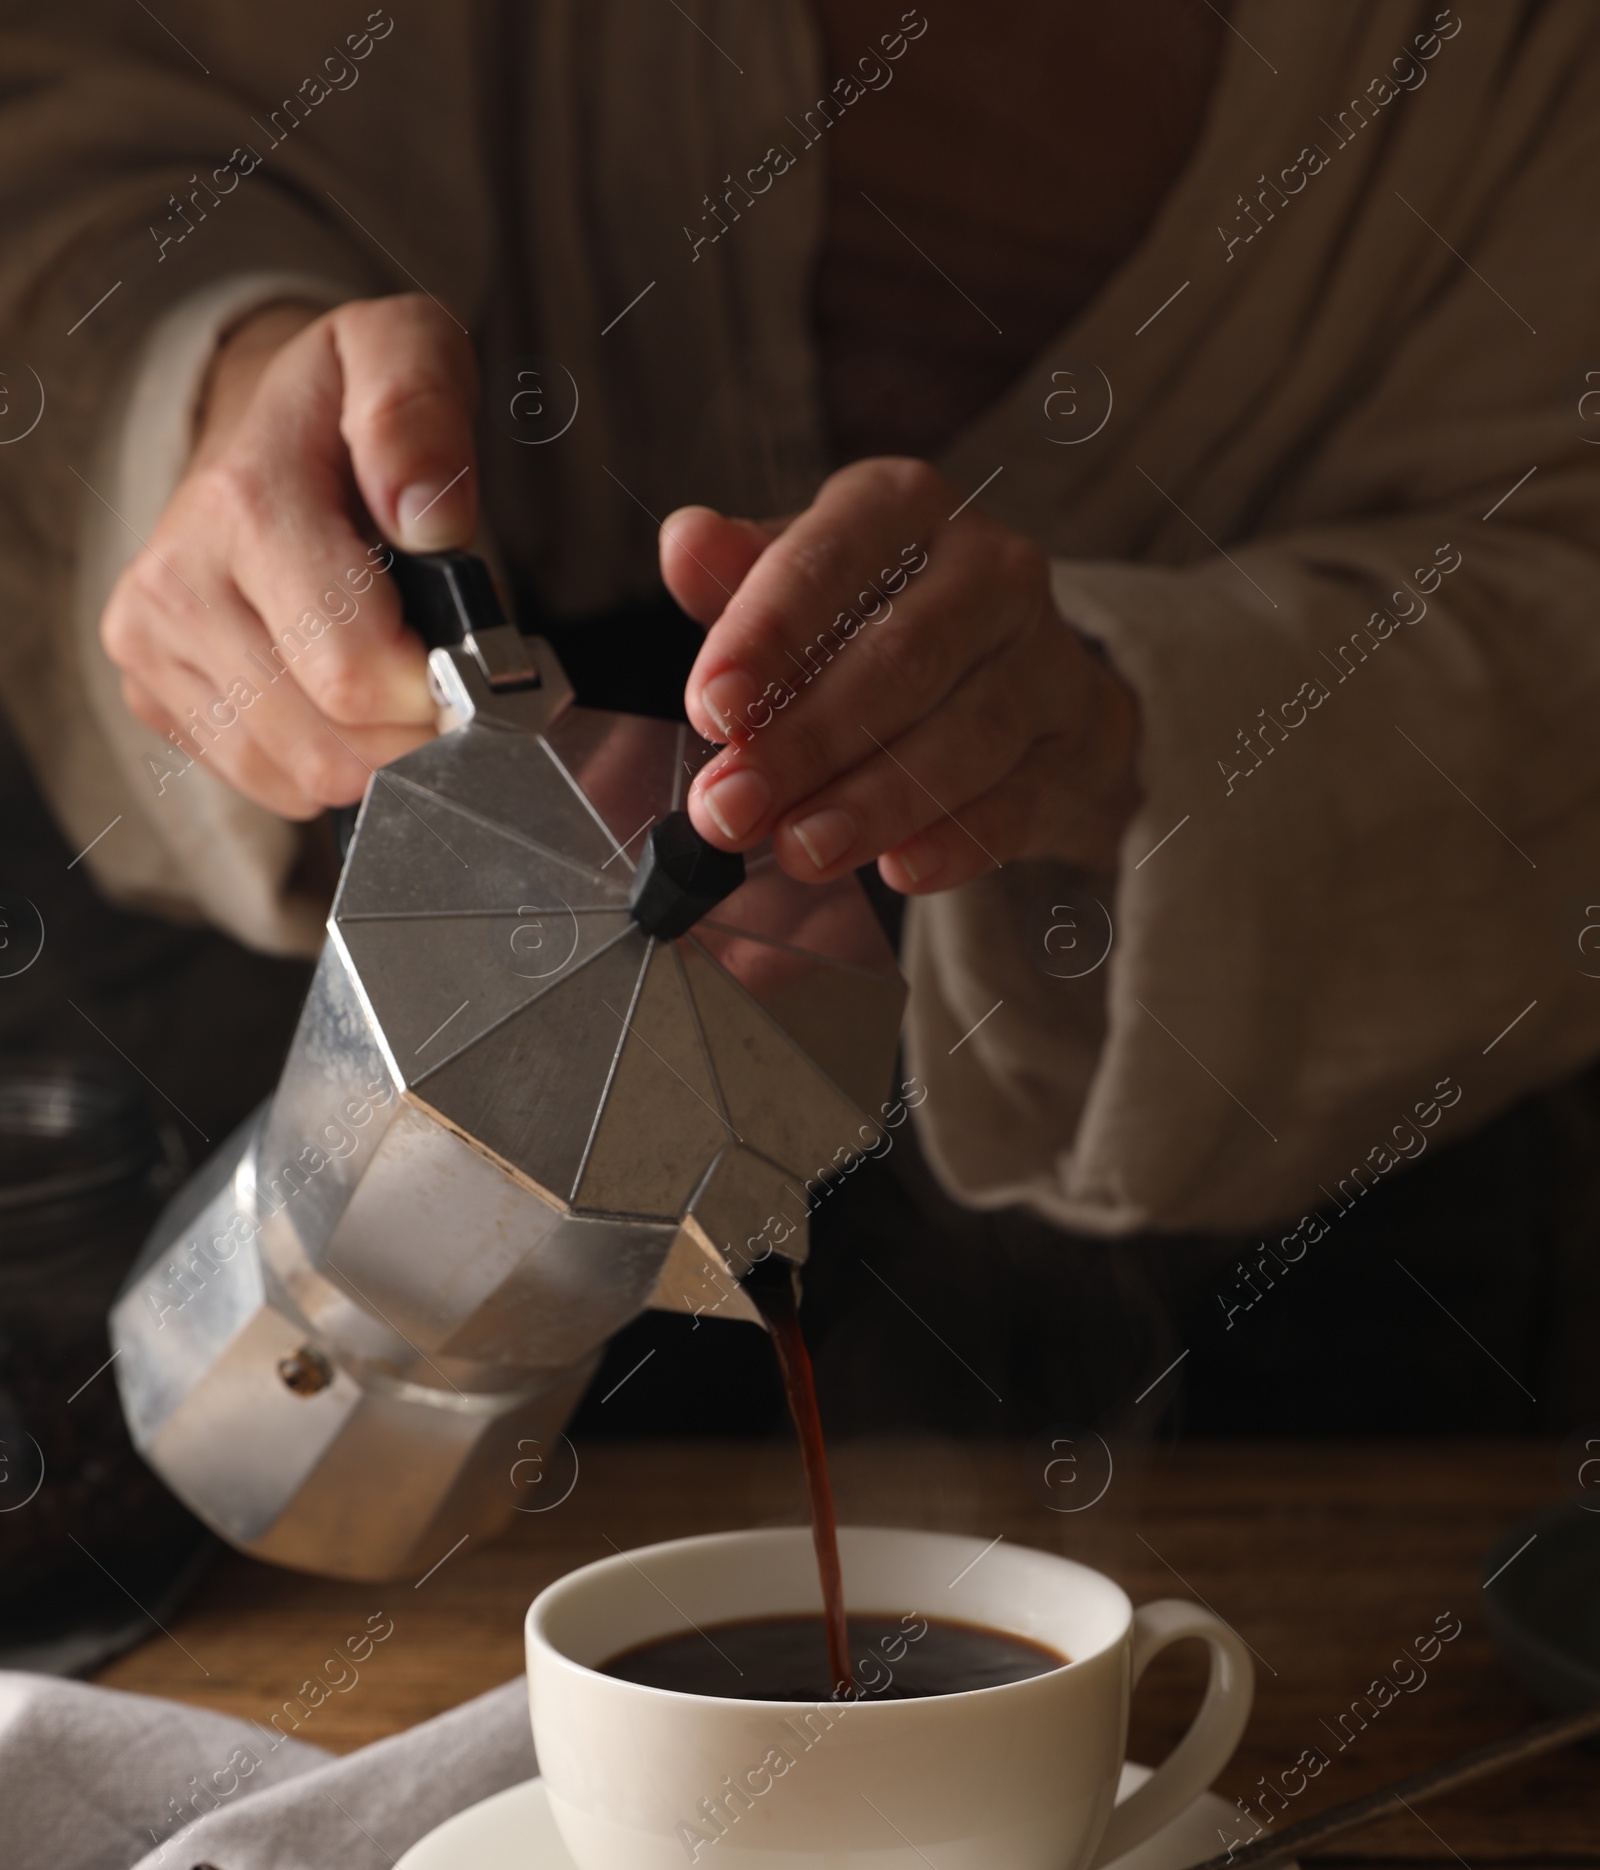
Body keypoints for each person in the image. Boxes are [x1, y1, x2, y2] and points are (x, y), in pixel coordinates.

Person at [2, 0, 1598, 1437]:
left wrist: (1117, 730)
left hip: (1291, 1241)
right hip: (212, 1082)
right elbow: (69, 114)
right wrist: (208, 391)